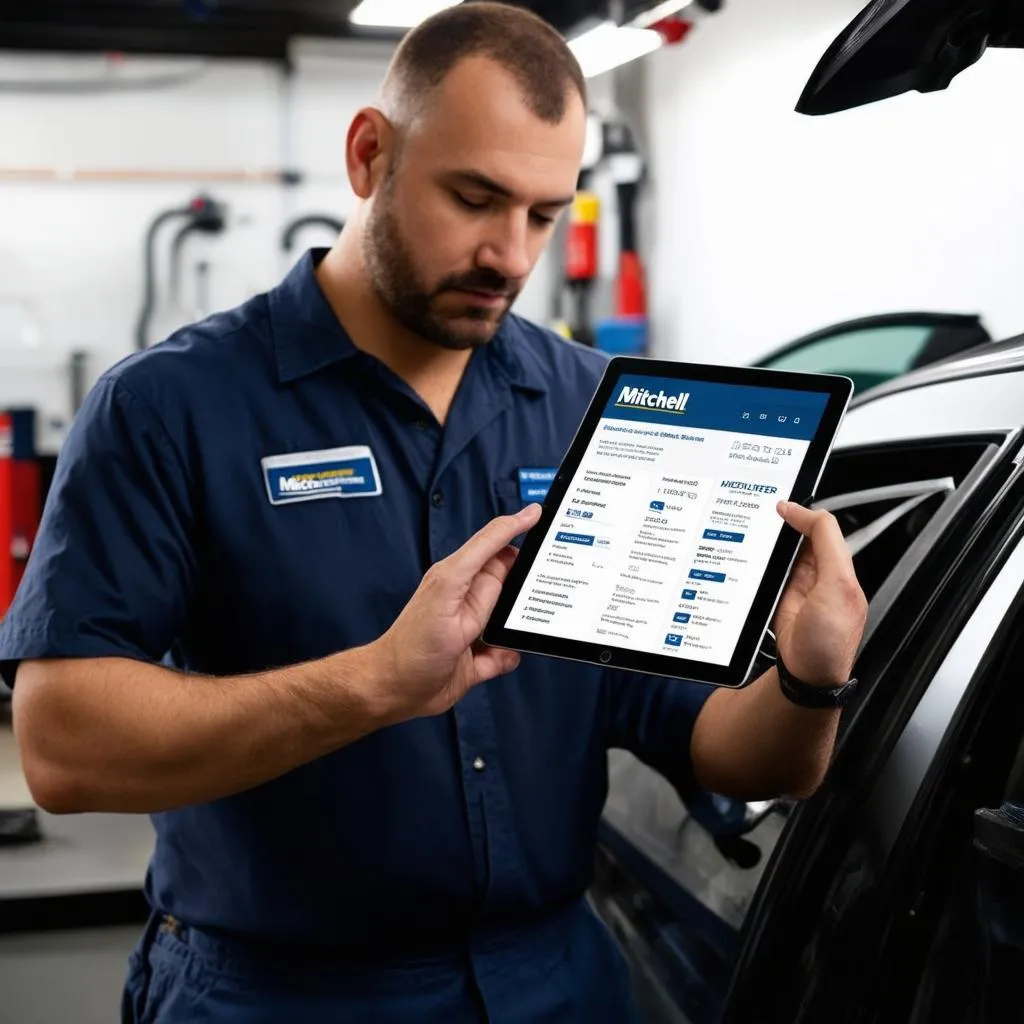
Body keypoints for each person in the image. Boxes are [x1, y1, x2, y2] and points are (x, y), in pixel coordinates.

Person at [0, 3, 868, 1021]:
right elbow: (62, 748)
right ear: (370, 155)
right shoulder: (170, 406)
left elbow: (718, 741)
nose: (509, 253)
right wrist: (374, 681)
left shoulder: (603, 410)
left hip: (557, 981)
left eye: (544, 214)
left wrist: (811, 677)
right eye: (474, 197)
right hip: (277, 995)